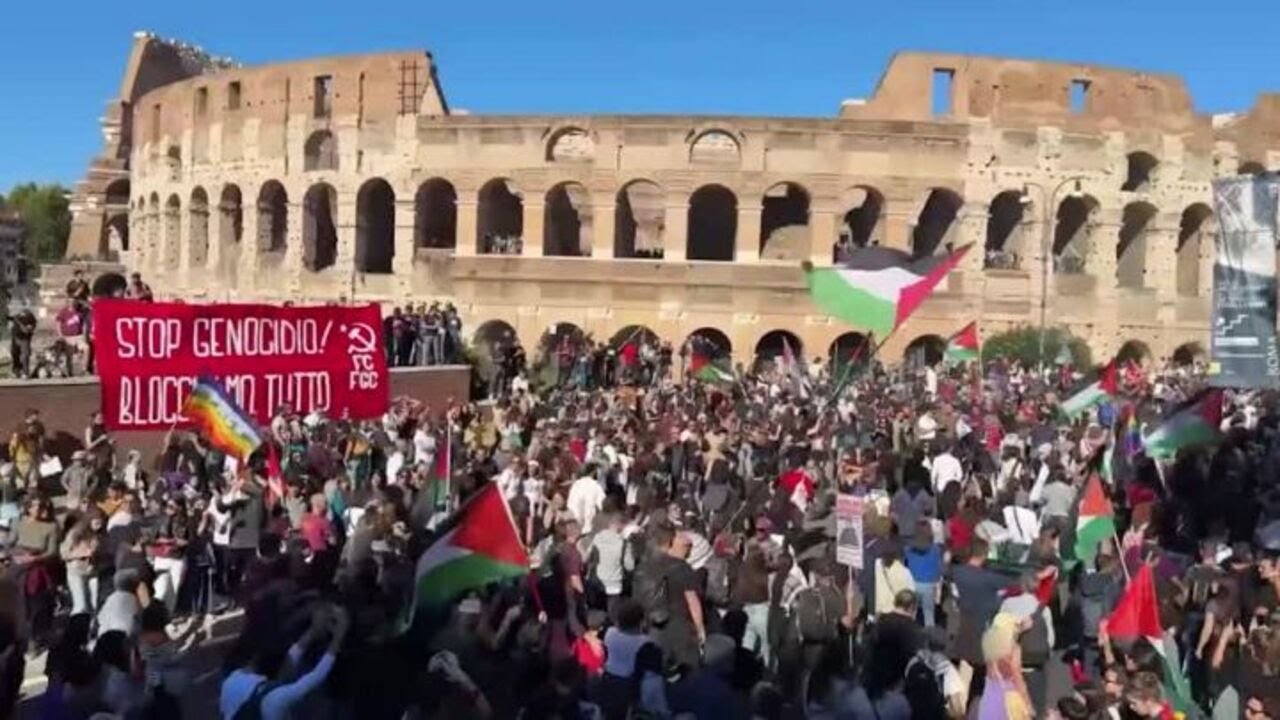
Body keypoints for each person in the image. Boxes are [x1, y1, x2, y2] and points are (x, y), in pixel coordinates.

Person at [219, 604, 349, 719]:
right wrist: (340, 633)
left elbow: (288, 660)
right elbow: (317, 675)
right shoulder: (277, 699)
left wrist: (313, 631)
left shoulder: (234, 678)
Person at [633, 523, 704, 671]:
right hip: (680, 626)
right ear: (670, 542)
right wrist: (700, 628)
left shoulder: (643, 566)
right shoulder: (681, 567)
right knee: (687, 670)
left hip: (652, 625)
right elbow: (692, 601)